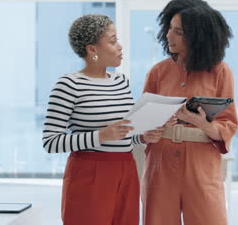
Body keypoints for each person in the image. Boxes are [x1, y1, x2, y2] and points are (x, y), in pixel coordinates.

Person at [43, 14, 162, 225]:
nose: (120, 46)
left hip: (126, 170)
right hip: (89, 174)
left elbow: (124, 133)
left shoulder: (121, 82)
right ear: (92, 49)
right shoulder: (69, 85)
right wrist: (100, 136)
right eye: (113, 40)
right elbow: (50, 141)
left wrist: (142, 137)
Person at [141, 0, 238, 225]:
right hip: (160, 163)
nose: (168, 36)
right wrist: (149, 130)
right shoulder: (158, 72)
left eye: (179, 32)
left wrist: (204, 123)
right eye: (169, 29)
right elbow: (143, 122)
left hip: (202, 165)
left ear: (198, 37)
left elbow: (229, 125)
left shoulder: (221, 72)